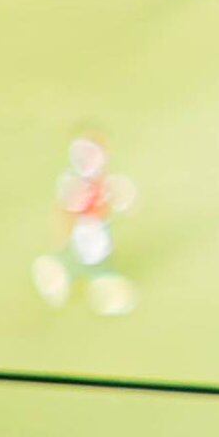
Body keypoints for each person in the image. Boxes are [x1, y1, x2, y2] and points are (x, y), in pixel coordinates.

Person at [33, 130, 134, 315]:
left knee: (95, 257)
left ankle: (82, 276)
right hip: (89, 230)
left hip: (96, 228)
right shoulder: (79, 184)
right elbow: (69, 210)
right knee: (91, 258)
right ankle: (64, 275)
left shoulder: (97, 180)